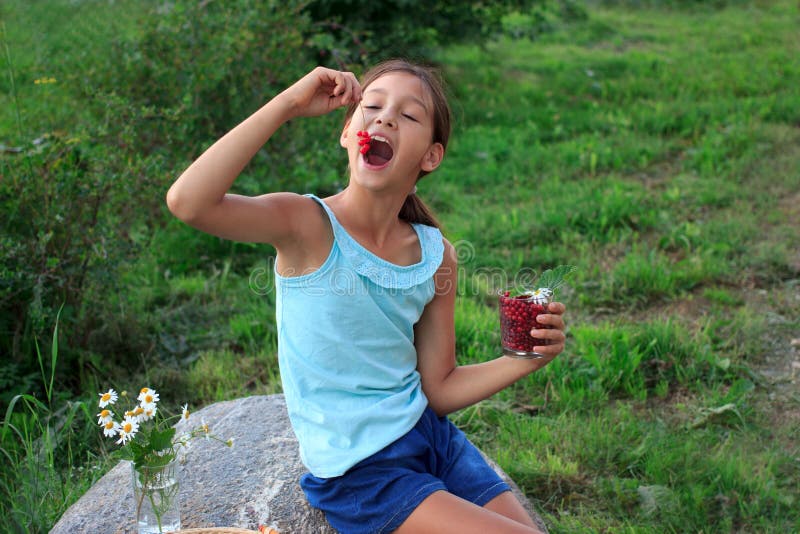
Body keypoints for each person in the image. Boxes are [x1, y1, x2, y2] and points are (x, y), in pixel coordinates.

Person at [167, 59, 566, 534]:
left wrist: (526, 359)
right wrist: (287, 105)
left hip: (431, 441)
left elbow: (437, 388)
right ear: (347, 134)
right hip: (361, 474)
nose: (384, 118)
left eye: (409, 115)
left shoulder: (436, 255)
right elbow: (188, 202)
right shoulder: (305, 226)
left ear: (431, 156)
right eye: (372, 106)